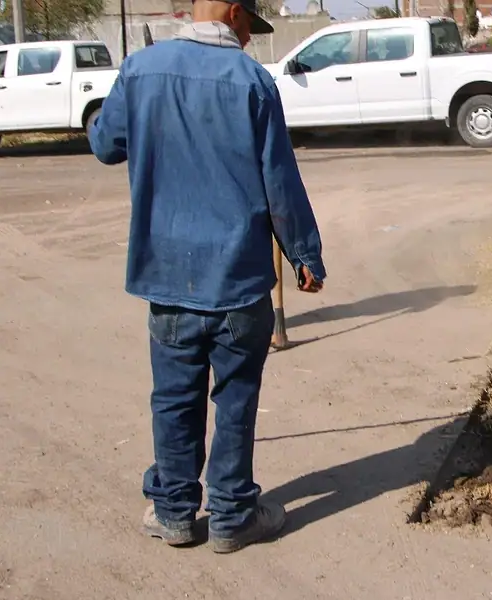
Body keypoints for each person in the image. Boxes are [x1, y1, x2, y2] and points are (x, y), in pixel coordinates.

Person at [89, 0, 327, 552]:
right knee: (236, 399)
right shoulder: (252, 81)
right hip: (239, 280)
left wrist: (129, 105)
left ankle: (173, 513)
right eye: (251, 30)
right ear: (236, 16)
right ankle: (232, 515)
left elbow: (105, 144)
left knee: (174, 398)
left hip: (168, 274)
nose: (250, 41)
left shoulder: (141, 68)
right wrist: (304, 256)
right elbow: (280, 182)